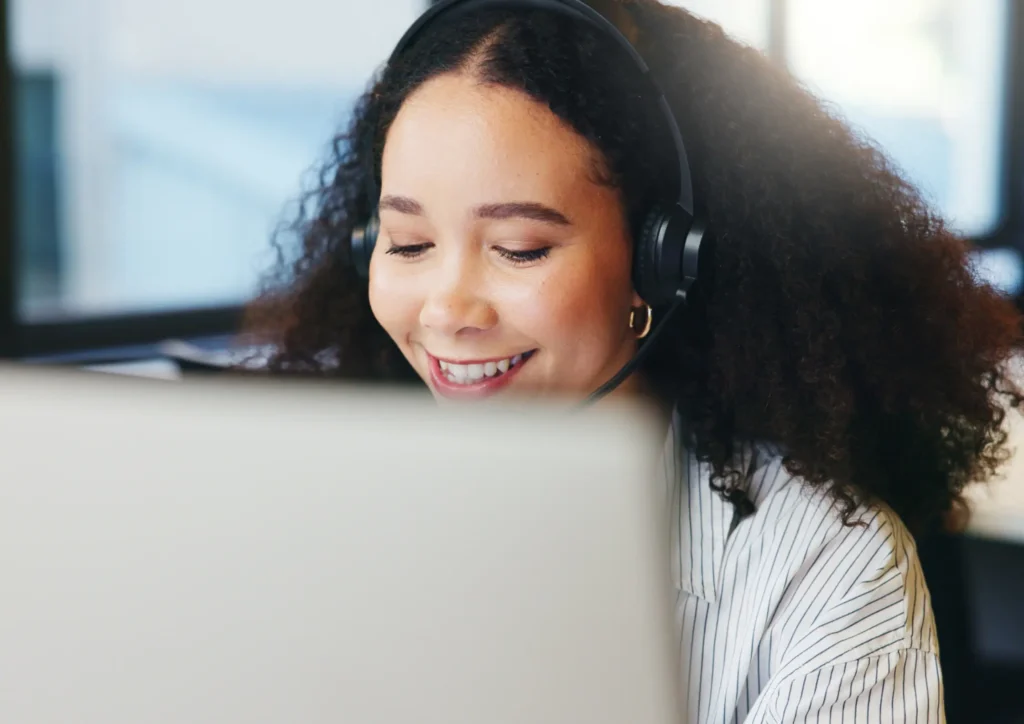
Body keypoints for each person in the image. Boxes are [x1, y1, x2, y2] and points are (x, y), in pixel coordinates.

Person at [245, 0, 1024, 720]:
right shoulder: (313, 518)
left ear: (660, 264)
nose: (447, 310)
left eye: (518, 250)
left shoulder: (827, 572)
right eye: (409, 244)